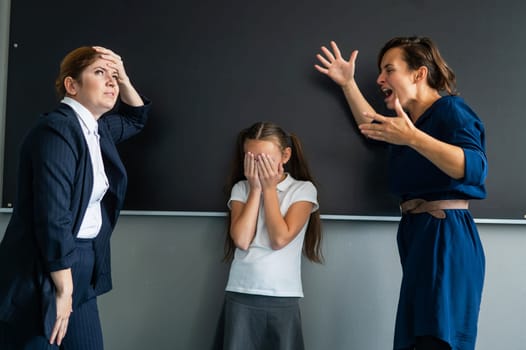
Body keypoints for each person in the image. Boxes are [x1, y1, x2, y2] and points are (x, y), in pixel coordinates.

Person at [315, 37, 487, 350]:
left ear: (419, 74)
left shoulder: (451, 110)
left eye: (389, 70)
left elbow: (474, 167)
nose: (380, 78)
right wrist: (348, 83)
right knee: (416, 337)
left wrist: (413, 138)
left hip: (445, 233)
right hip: (418, 233)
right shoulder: (410, 125)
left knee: (436, 337)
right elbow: (372, 125)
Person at [0, 45, 151, 349]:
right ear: (72, 85)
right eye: (99, 73)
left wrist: (121, 74)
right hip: (46, 269)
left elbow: (136, 118)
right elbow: (53, 216)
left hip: (82, 265)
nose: (111, 82)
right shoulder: (56, 131)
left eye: (113, 76)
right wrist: (63, 288)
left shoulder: (96, 129)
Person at [213, 121, 322, 350]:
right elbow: (241, 240)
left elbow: (279, 239)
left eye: (265, 160)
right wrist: (255, 189)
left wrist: (270, 189)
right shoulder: (241, 188)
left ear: (285, 156)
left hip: (282, 293)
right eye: (252, 160)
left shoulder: (303, 190)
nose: (258, 167)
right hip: (241, 291)